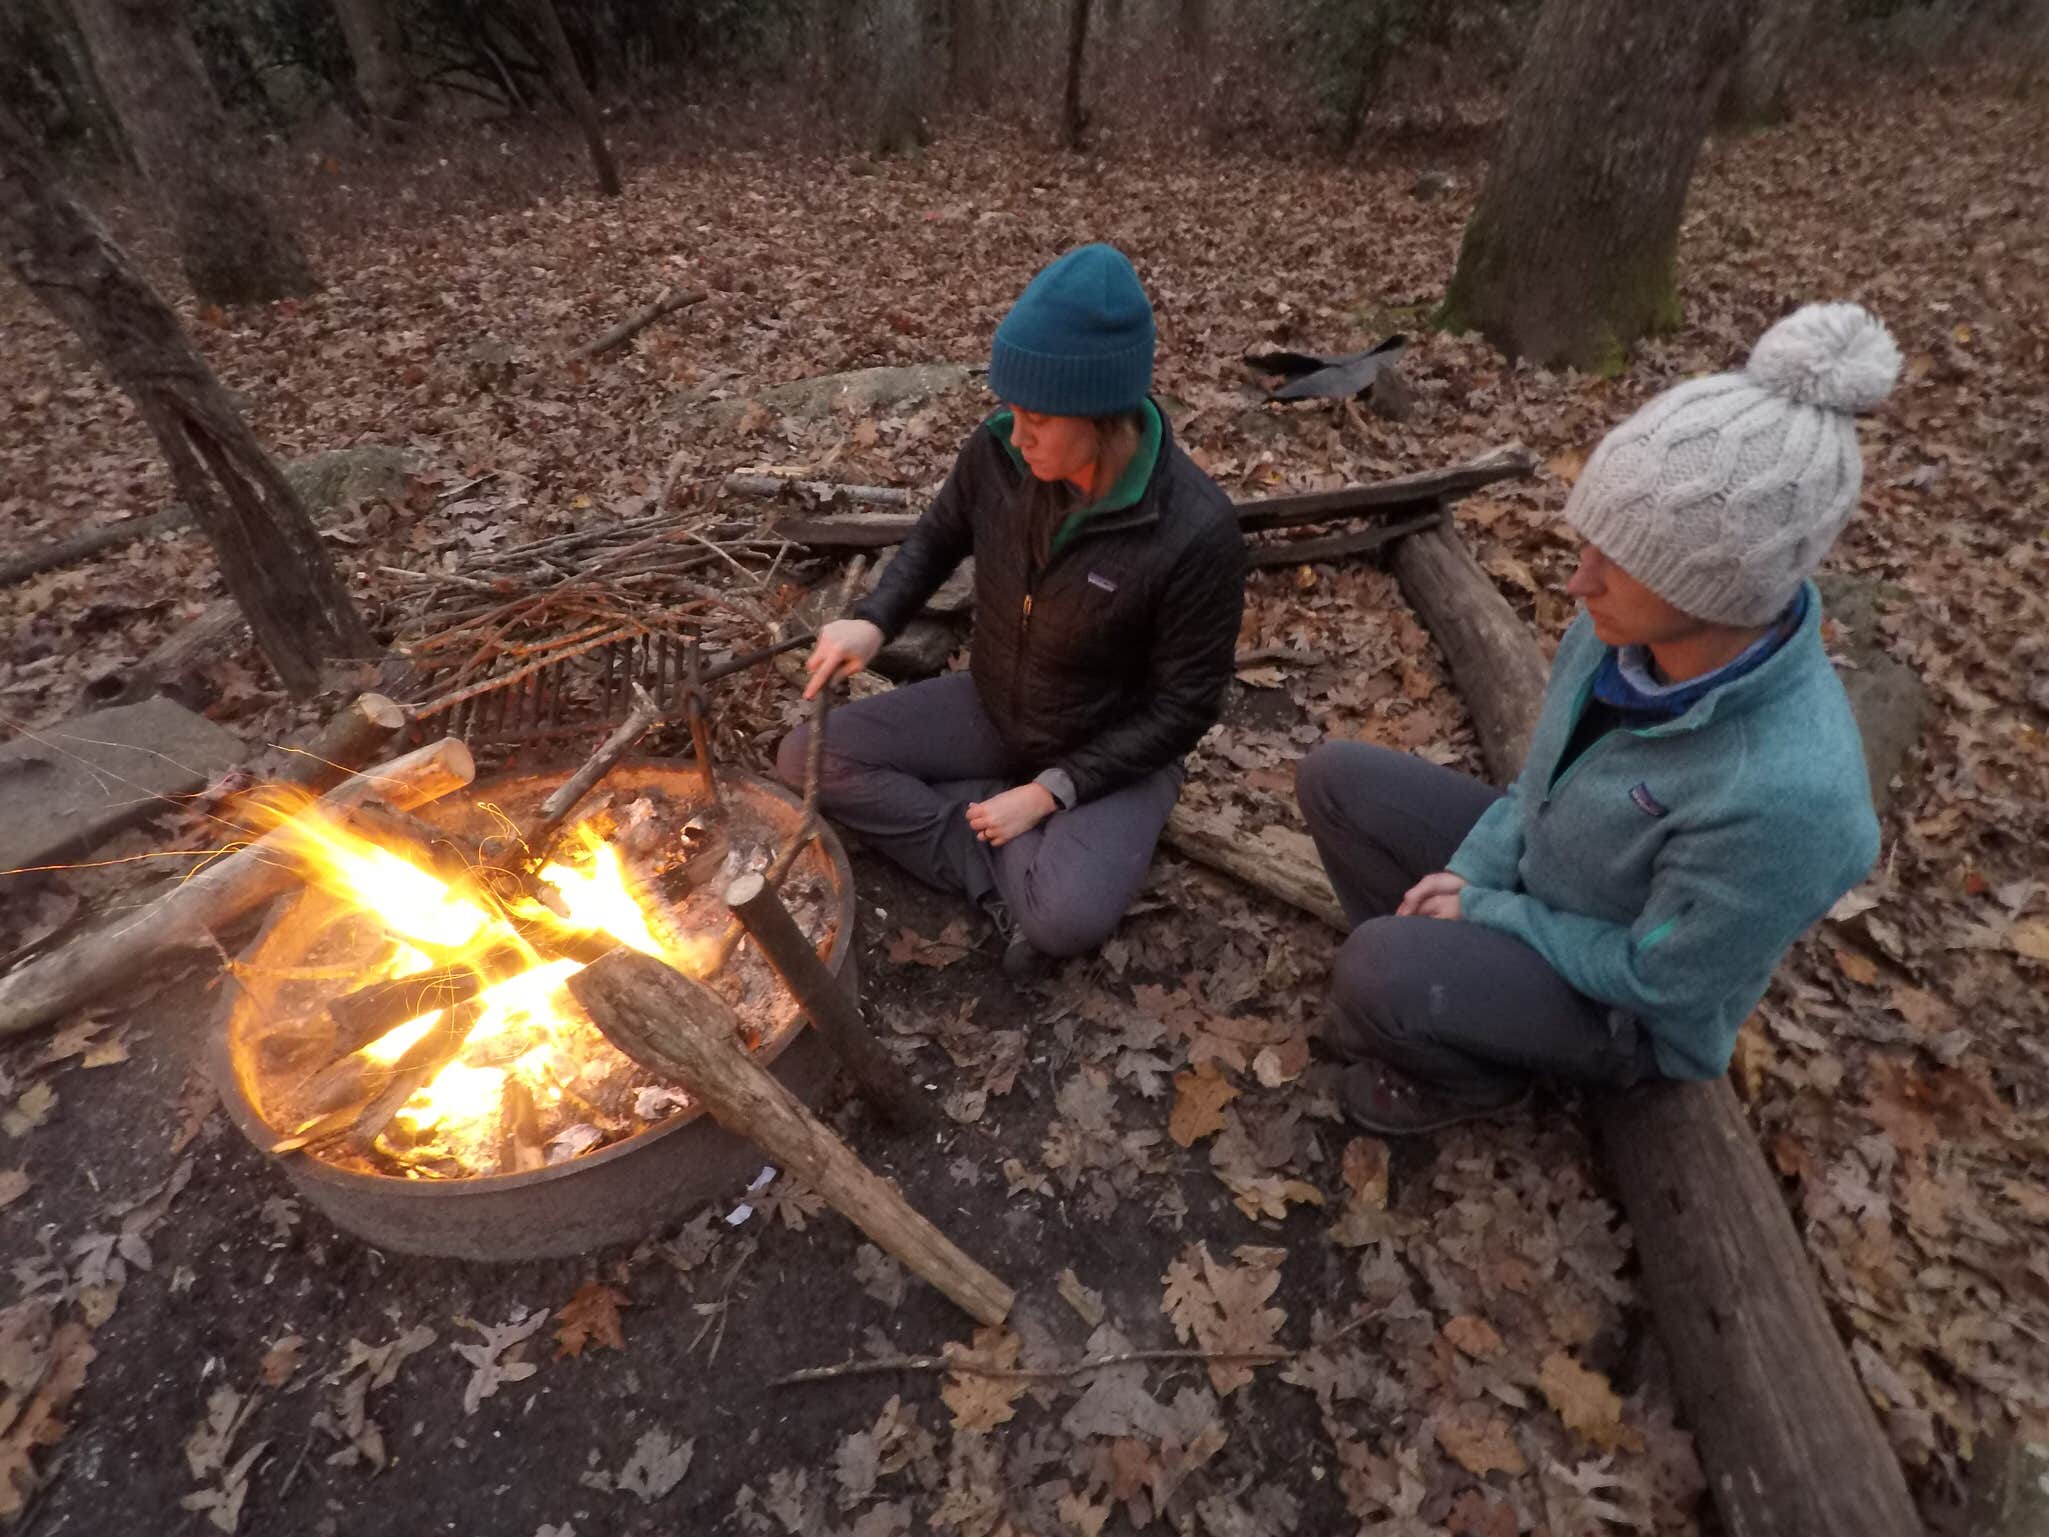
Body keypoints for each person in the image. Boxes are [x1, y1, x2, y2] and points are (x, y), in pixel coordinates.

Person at [1297, 302, 1902, 1135]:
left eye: (1615, 562)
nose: (1577, 582)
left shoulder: (1789, 794)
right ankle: (1437, 992)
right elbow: (1535, 787)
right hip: (1557, 876)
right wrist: (1472, 879)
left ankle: (1470, 1068)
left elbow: (1664, 981)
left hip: (1628, 1010)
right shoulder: (1618, 630)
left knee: (1374, 969)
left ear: (1714, 588)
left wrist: (1486, 914)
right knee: (1336, 781)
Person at [778, 243, 1246, 977]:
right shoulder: (998, 457)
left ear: (1102, 413)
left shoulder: (1193, 530)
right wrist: (874, 618)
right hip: (995, 704)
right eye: (1011, 410)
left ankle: (1019, 834)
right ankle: (989, 849)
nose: (1017, 432)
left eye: (1038, 417)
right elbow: (937, 537)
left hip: (1111, 748)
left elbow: (1185, 705)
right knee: (807, 755)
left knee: (1064, 918)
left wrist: (1050, 792)